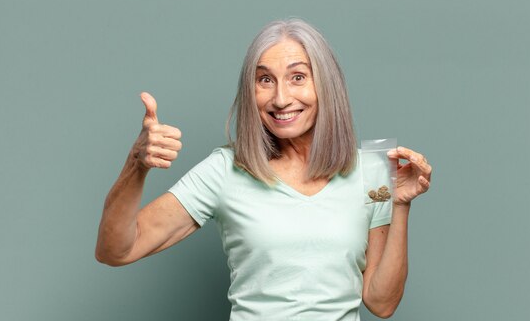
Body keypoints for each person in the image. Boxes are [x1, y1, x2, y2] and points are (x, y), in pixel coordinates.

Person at [95, 18, 432, 320]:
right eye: (265, 80)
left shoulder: (372, 171)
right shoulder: (225, 170)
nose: (281, 98)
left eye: (298, 77)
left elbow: (381, 302)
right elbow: (116, 250)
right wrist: (135, 164)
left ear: (327, 86)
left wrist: (400, 204)